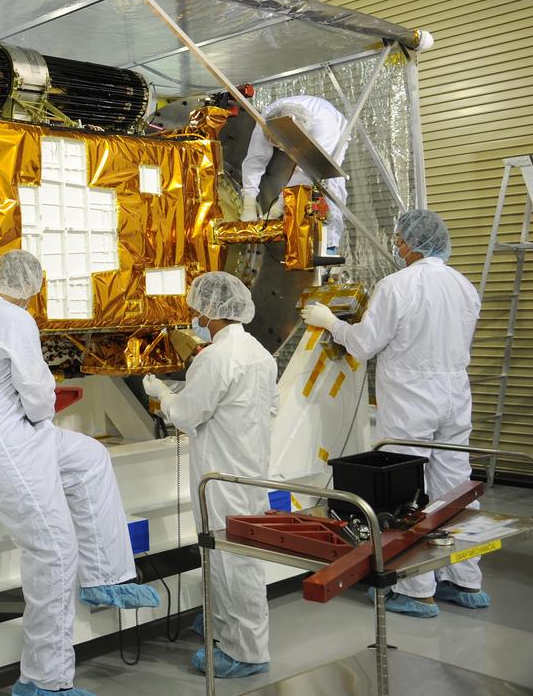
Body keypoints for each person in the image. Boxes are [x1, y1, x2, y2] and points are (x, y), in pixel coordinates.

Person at [0, 250, 159, 696]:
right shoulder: (12, 318)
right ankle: (44, 681)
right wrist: (31, 412)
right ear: (26, 291)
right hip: (8, 442)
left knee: (90, 458)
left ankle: (105, 577)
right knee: (52, 549)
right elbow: (36, 390)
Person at [301, 208, 485, 617]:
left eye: (400, 241)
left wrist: (329, 321)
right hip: (455, 394)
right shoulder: (463, 286)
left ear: (411, 244)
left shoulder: (397, 286)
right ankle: (466, 581)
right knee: (455, 487)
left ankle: (415, 588)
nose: (399, 248)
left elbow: (364, 344)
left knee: (407, 492)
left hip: (410, 398)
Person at [142, 271, 275, 679]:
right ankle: (225, 626)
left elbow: (185, 415)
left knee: (233, 563)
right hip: (250, 470)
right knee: (234, 558)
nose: (195, 315)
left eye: (197, 307)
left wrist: (161, 394)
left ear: (211, 311)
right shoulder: (259, 353)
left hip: (221, 477)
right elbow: (269, 407)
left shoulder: (215, 358)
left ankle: (246, 652)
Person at [240, 94, 347, 252]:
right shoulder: (267, 118)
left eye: (281, 145)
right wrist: (248, 202)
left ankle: (329, 246)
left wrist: (278, 207)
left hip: (336, 131)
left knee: (329, 183)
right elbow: (255, 158)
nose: (278, 148)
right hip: (291, 126)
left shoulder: (325, 127)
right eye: (271, 139)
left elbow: (306, 172)